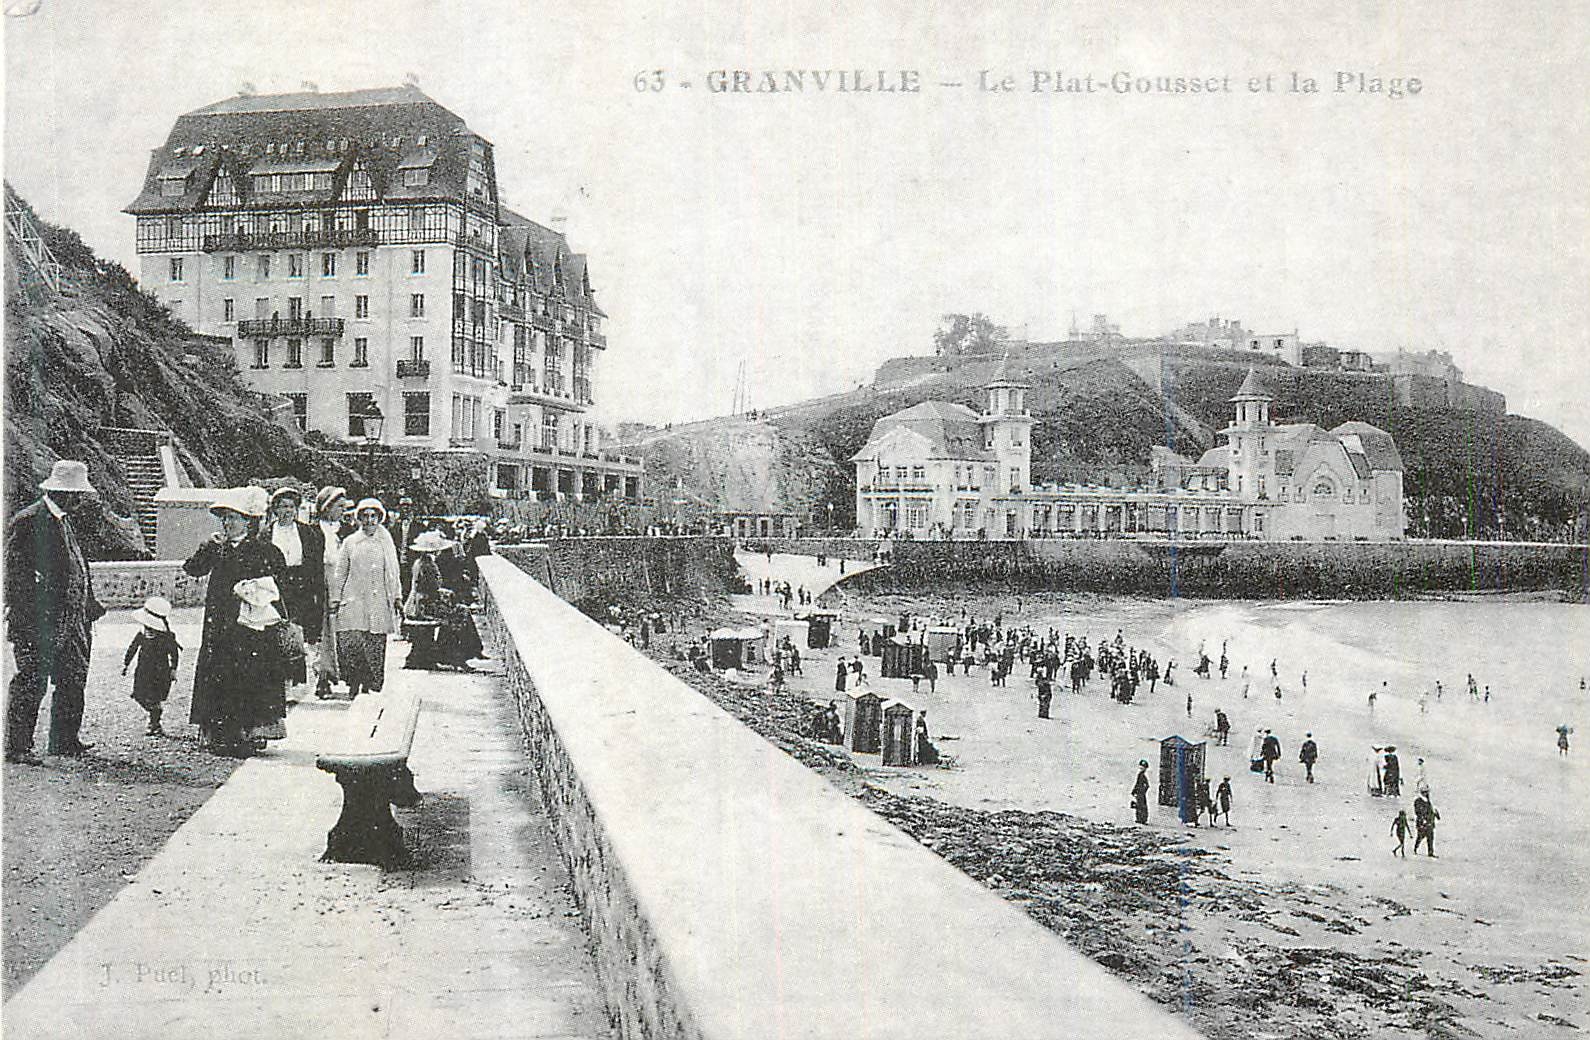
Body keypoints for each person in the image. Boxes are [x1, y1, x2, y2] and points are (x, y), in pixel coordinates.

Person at [4, 460, 106, 763]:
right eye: (76, 494)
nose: (79, 499)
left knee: (73, 678)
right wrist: (29, 622)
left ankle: (64, 740)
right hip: (39, 623)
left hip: (73, 621)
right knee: (32, 681)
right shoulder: (29, 520)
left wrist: (88, 605)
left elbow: (77, 568)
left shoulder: (64, 520)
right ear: (62, 492)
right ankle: (18, 747)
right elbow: (15, 579)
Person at [184, 487, 289, 756]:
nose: (228, 523)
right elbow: (193, 569)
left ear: (248, 521)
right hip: (220, 622)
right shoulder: (216, 548)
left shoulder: (263, 550)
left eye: (233, 518)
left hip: (250, 625)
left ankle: (247, 733)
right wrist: (207, 546)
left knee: (248, 674)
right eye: (225, 519)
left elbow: (277, 586)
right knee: (219, 673)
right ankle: (220, 733)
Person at [331, 498, 403, 699]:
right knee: (352, 641)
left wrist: (397, 597)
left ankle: (370, 684)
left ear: (379, 518)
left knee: (375, 642)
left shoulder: (386, 542)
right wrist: (336, 599)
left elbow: (393, 571)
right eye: (365, 516)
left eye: (373, 516)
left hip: (378, 598)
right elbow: (340, 572)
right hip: (354, 598)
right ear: (359, 518)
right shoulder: (350, 542)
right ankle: (354, 681)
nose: (370, 521)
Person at [263, 486, 326, 698]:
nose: (287, 511)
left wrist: (317, 592)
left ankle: (294, 682)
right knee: (277, 634)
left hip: (301, 588)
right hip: (276, 587)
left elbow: (315, 564)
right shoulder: (267, 533)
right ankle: (279, 684)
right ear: (275, 510)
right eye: (282, 507)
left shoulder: (307, 532)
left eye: (291, 507)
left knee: (296, 635)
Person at [403, 531, 485, 670]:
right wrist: (446, 593)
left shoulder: (420, 562)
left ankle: (453, 653)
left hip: (418, 603)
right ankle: (457, 654)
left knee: (458, 611)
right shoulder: (428, 565)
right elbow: (432, 588)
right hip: (423, 606)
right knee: (461, 613)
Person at [312, 486, 351, 699]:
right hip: (322, 583)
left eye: (344, 507)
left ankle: (351, 675)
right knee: (325, 634)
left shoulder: (348, 531)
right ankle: (323, 677)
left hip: (343, 582)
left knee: (346, 630)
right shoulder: (313, 530)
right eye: (339, 507)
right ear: (327, 507)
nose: (342, 511)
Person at [122, 596, 180, 736]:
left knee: (155, 697)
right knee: (139, 695)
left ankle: (154, 723)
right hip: (142, 671)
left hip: (160, 673)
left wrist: (173, 669)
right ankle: (155, 714)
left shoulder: (167, 637)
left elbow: (174, 653)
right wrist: (126, 664)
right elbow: (132, 649)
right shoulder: (141, 635)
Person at [1412, 793, 1439, 857]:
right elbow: (1418, 812)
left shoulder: (1428, 802)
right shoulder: (1418, 801)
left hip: (1429, 823)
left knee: (1430, 838)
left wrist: (1435, 814)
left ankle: (1430, 852)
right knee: (1420, 837)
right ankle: (1415, 848)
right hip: (1423, 824)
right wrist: (1423, 819)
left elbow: (1431, 811)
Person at [1132, 760, 1150, 825]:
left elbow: (1147, 785)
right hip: (1140, 792)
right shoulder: (1140, 775)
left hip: (1140, 793)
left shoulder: (1141, 775)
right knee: (1139, 805)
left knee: (1141, 805)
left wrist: (1142, 791)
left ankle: (1142, 819)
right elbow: (1138, 784)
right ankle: (1140, 818)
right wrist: (1134, 790)